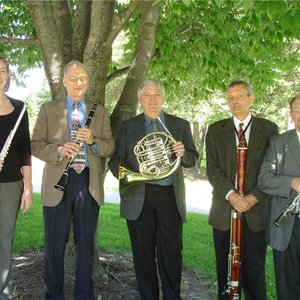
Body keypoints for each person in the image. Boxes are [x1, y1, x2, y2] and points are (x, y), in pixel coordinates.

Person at [31, 60, 114, 300]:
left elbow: (110, 145)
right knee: (55, 246)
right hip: (58, 181)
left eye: (84, 78)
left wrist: (93, 141)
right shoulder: (49, 109)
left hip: (88, 183)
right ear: (65, 81)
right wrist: (58, 150)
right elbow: (35, 145)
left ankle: (84, 295)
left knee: (85, 245)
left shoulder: (99, 110)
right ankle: (54, 295)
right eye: (74, 78)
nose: (79, 83)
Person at [108, 79, 198, 300]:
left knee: (171, 254)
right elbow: (114, 161)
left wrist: (182, 152)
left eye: (156, 94)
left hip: (170, 197)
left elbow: (192, 159)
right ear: (140, 100)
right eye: (147, 95)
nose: (152, 99)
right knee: (143, 254)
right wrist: (130, 175)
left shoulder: (180, 125)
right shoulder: (129, 127)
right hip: (140, 195)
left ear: (163, 97)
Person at [205, 80, 278, 300]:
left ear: (250, 98)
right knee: (225, 274)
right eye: (230, 98)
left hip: (255, 212)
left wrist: (255, 196)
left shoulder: (269, 129)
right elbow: (212, 168)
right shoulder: (216, 130)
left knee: (254, 274)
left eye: (239, 96)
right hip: (223, 212)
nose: (234, 101)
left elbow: (273, 168)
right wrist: (232, 195)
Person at [258, 95, 300, 300]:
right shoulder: (278, 142)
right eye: (297, 110)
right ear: (291, 115)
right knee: (288, 287)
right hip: (287, 226)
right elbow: (264, 179)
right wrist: (292, 182)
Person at [0, 56, 32, 299]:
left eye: (2, 70)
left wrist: (28, 188)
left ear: (8, 75)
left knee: (4, 237)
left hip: (11, 184)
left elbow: (24, 151)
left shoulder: (20, 108)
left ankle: (3, 290)